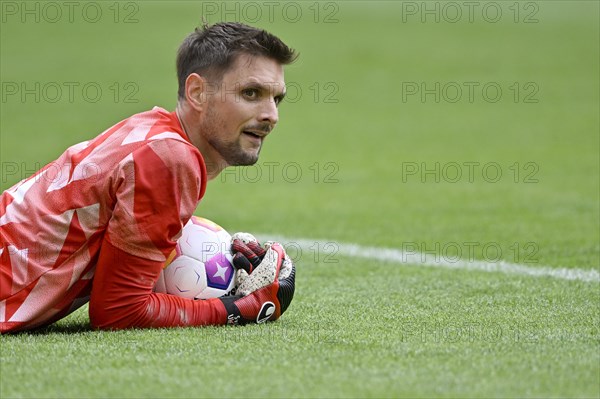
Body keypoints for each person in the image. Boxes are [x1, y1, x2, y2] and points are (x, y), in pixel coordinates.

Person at [0, 22, 297, 333]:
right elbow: (119, 312)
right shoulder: (171, 159)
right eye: (251, 93)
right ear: (197, 92)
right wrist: (239, 308)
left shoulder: (153, 132)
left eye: (276, 99)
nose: (271, 116)